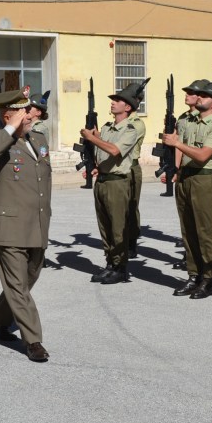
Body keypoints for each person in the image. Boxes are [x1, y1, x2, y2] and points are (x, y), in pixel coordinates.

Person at [0, 89, 52, 362]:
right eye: (23, 113)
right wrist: (9, 127)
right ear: (8, 116)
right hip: (7, 227)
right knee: (18, 285)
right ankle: (33, 340)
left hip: (37, 224)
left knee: (30, 276)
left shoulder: (39, 139)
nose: (30, 115)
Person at [162, 78, 212, 299]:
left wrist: (177, 144)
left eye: (205, 96)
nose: (199, 97)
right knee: (188, 230)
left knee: (205, 231)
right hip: (185, 178)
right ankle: (193, 275)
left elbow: (202, 155)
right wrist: (172, 169)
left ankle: (208, 278)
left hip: (204, 180)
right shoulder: (188, 122)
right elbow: (179, 151)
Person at [80, 81, 147, 284]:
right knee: (105, 226)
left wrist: (92, 139)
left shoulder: (131, 128)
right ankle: (110, 263)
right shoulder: (108, 127)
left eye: (118, 101)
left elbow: (115, 150)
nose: (113, 103)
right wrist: (95, 165)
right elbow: (103, 152)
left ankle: (120, 266)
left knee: (118, 227)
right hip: (102, 179)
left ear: (128, 107)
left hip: (118, 182)